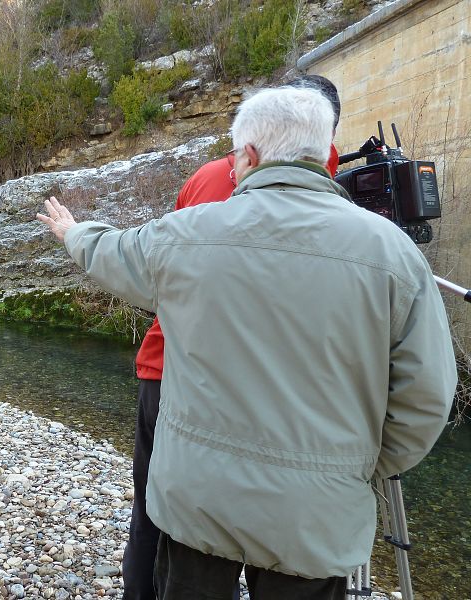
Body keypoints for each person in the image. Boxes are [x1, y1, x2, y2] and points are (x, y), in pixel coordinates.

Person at [38, 85, 456, 599]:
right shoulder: (392, 251)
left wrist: (73, 233)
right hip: (316, 516)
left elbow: (114, 253)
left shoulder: (185, 234)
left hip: (197, 503)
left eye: (237, 157)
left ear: (250, 156)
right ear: (323, 151)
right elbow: (428, 394)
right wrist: (360, 464)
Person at [123, 75, 343, 600]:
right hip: (261, 387)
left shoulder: (201, 177)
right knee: (281, 538)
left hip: (164, 367)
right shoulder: (321, 177)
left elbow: (159, 275)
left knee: (159, 515)